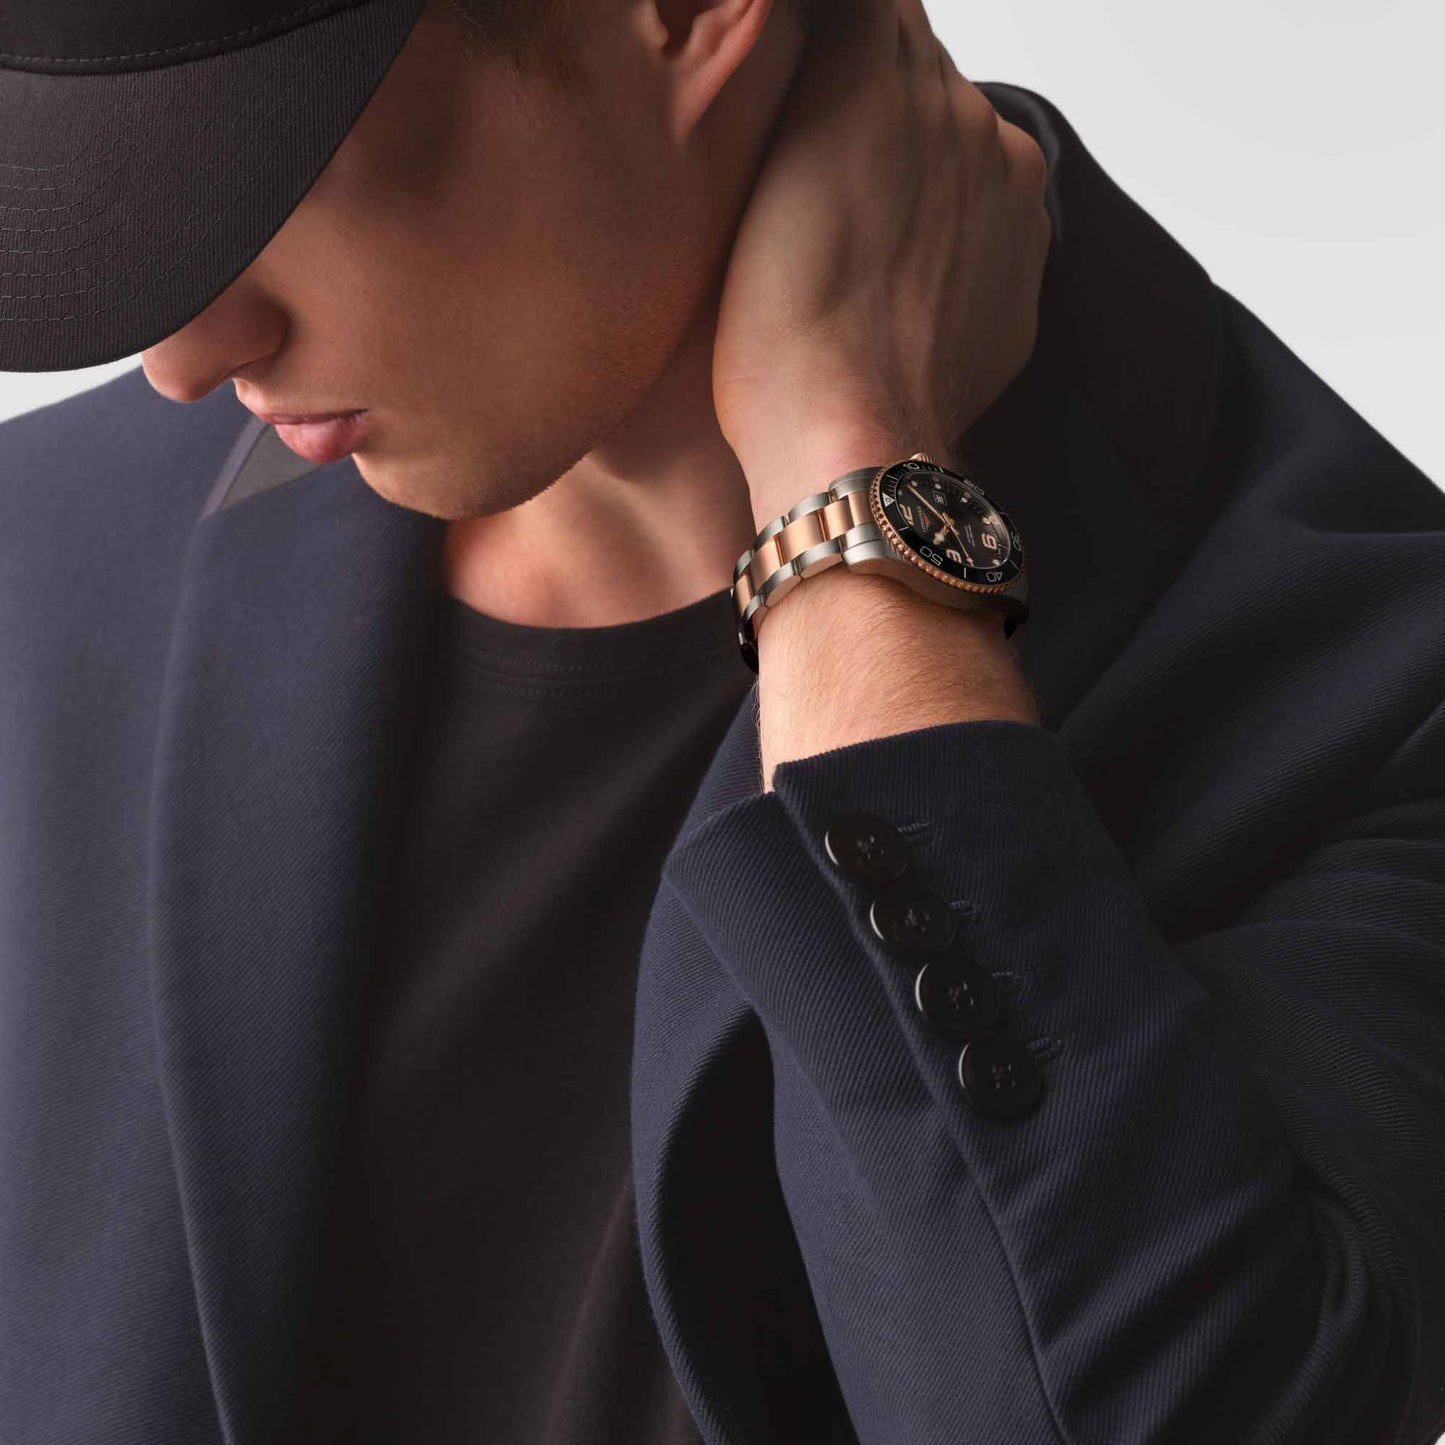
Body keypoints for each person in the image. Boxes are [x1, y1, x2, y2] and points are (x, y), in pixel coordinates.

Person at [0, 0, 1441, 1441]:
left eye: (274, 161)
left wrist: (849, 482)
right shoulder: (45, 554)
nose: (186, 354)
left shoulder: (1373, 688)